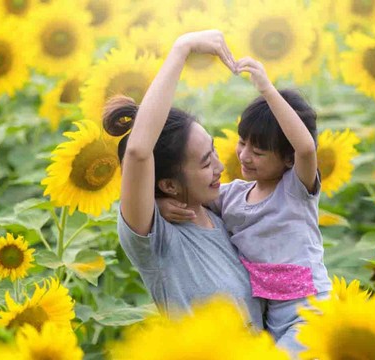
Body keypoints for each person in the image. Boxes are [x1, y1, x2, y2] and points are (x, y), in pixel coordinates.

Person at [160, 57, 330, 355]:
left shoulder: (295, 191)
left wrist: (266, 89)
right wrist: (161, 202)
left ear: (288, 160)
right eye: (242, 143)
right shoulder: (233, 197)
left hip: (309, 311)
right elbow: (191, 192)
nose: (244, 155)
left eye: (259, 151)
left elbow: (304, 147)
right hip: (271, 319)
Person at [103, 30, 263, 329]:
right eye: (205, 162)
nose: (219, 166)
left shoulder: (227, 212)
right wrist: (182, 48)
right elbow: (139, 151)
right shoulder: (159, 241)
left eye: (213, 151)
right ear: (168, 185)